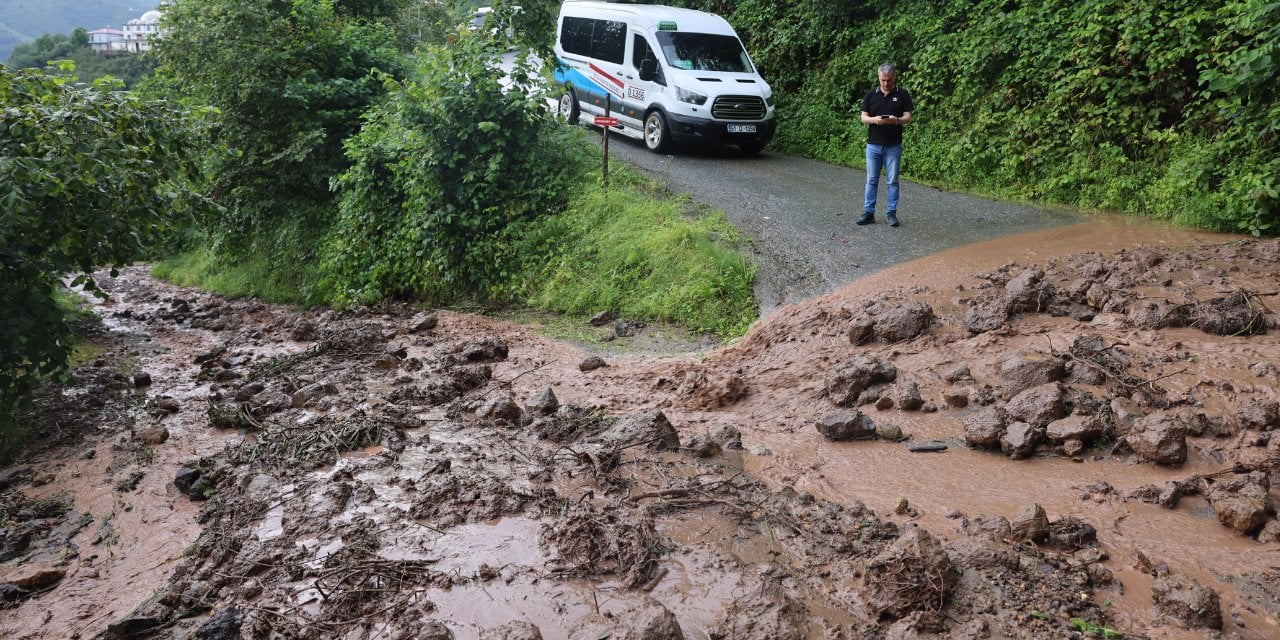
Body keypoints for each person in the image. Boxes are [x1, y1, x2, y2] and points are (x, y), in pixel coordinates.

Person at [857, 64, 913, 227]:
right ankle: (868, 212)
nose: (886, 84)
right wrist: (875, 120)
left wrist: (895, 120)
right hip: (873, 145)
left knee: (892, 181)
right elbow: (863, 117)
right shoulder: (870, 95)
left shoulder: (902, 94)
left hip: (893, 145)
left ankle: (891, 213)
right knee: (872, 180)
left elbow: (908, 117)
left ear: (894, 77)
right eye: (883, 80)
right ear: (878, 77)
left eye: (888, 80)